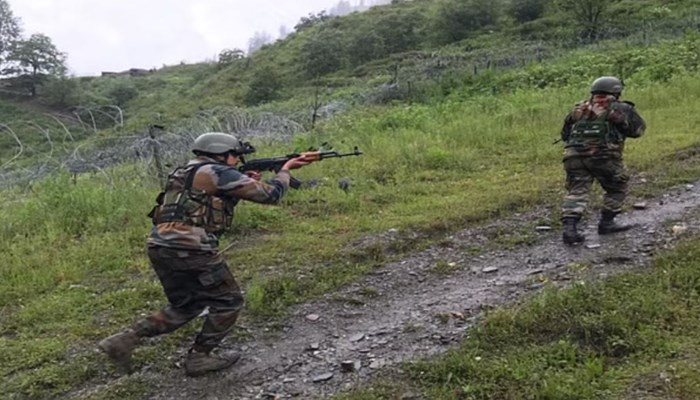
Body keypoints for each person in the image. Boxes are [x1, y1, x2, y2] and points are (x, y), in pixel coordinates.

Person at [98, 132, 319, 376]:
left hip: (160, 246)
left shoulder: (185, 172)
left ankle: (124, 340)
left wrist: (243, 182)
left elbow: (205, 205)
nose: (237, 160)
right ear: (222, 153)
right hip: (191, 248)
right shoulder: (219, 172)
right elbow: (271, 195)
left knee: (187, 304)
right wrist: (285, 170)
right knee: (228, 301)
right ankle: (199, 358)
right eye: (235, 155)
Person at [559, 76, 646, 245]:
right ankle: (607, 223)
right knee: (617, 187)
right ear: (616, 91)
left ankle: (570, 230)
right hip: (603, 157)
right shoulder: (620, 108)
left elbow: (565, 135)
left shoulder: (579, 108)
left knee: (576, 192)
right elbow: (638, 131)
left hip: (573, 156)